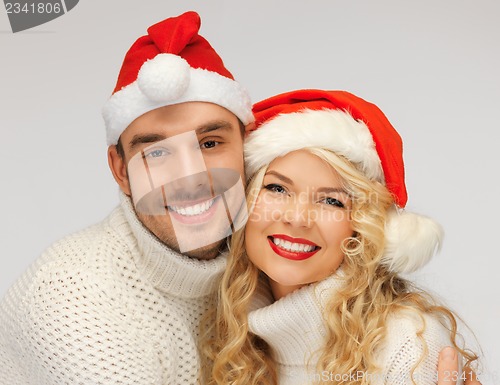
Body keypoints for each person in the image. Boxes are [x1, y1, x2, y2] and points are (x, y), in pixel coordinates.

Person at [0, 11, 476, 385]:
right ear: (120, 170)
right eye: (157, 152)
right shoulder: (75, 303)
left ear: (242, 150)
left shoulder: (395, 343)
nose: (191, 177)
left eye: (210, 143)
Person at [207, 89, 480, 385]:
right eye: (277, 189)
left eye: (332, 201)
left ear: (362, 225)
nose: (297, 218)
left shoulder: (407, 345)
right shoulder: (231, 334)